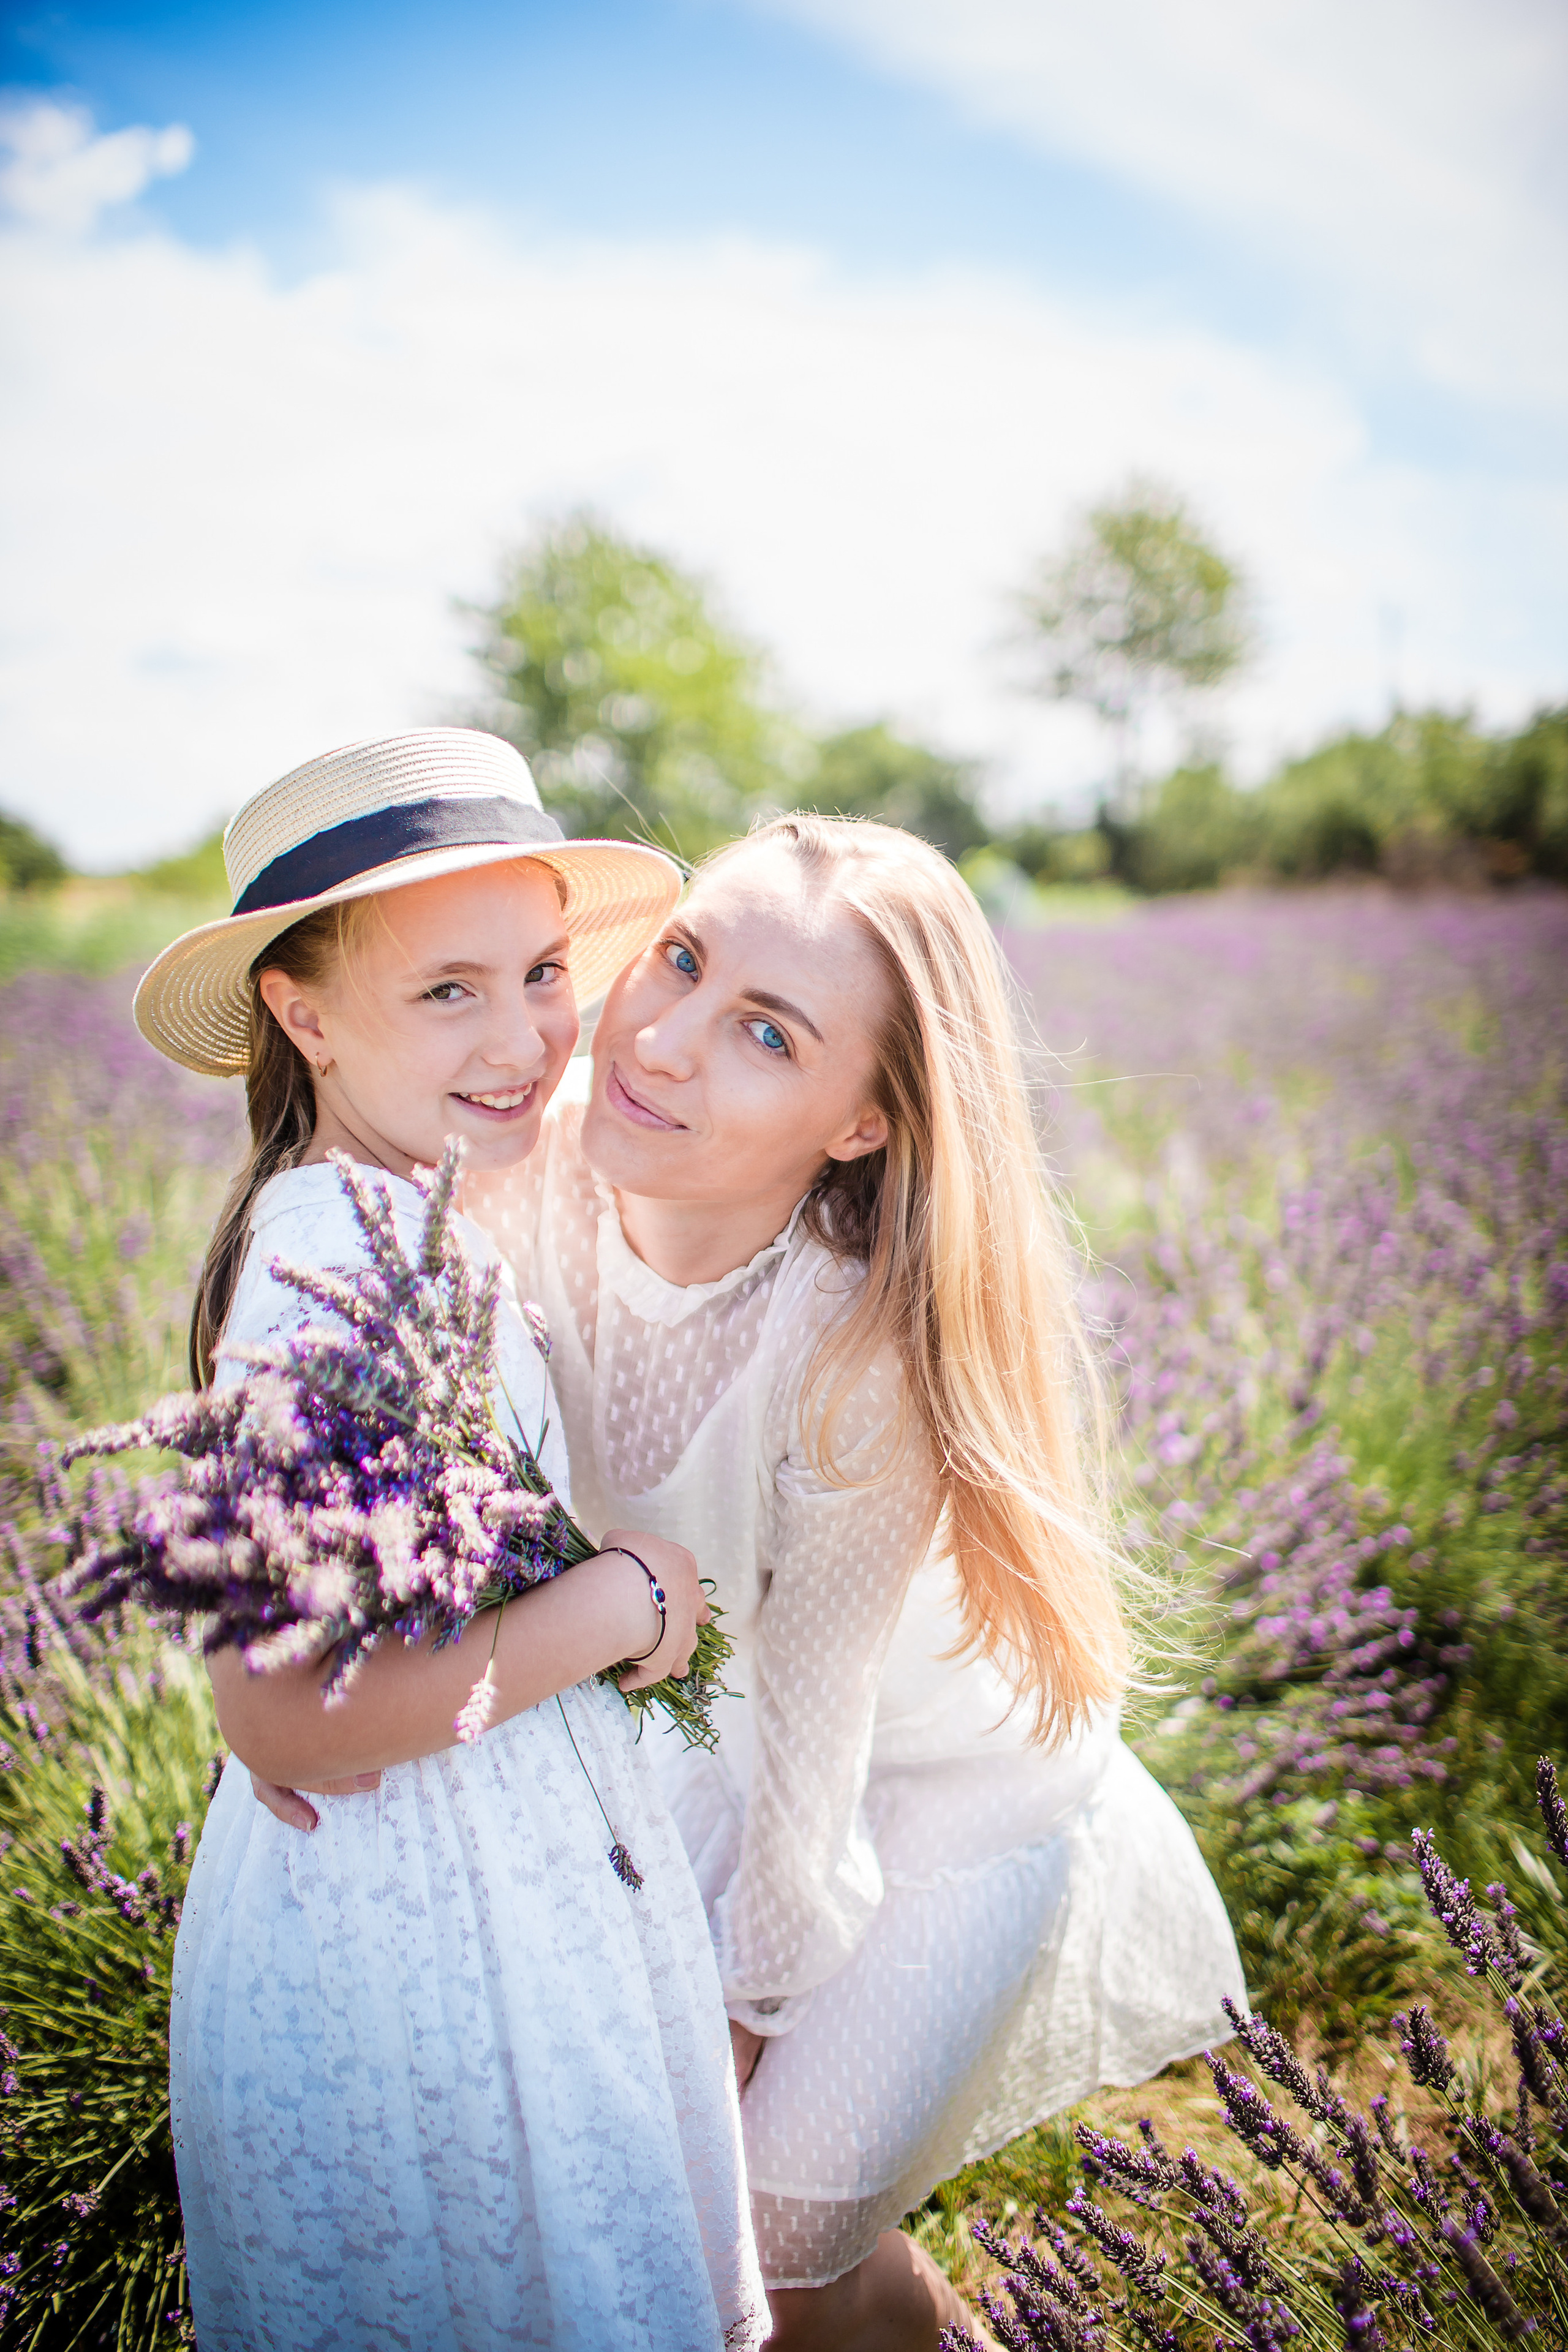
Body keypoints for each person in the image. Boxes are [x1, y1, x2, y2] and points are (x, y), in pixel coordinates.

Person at [257, 813, 1246, 2352]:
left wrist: (713, 2049)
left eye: (765, 1035)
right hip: (695, 1732)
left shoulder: (850, 1360)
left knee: (777, 2268)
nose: (658, 1040)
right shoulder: (528, 1161)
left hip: (934, 1797)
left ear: (858, 1122)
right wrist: (328, 1699)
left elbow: (811, 1753)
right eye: (678, 961)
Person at [138, 729, 767, 2351]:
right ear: (301, 1009)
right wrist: (624, 1601)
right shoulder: (333, 1268)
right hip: (419, 1965)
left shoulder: (401, 1209)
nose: (527, 1038)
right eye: (449, 992)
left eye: (546, 971)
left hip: (484, 1905)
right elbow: (284, 1717)